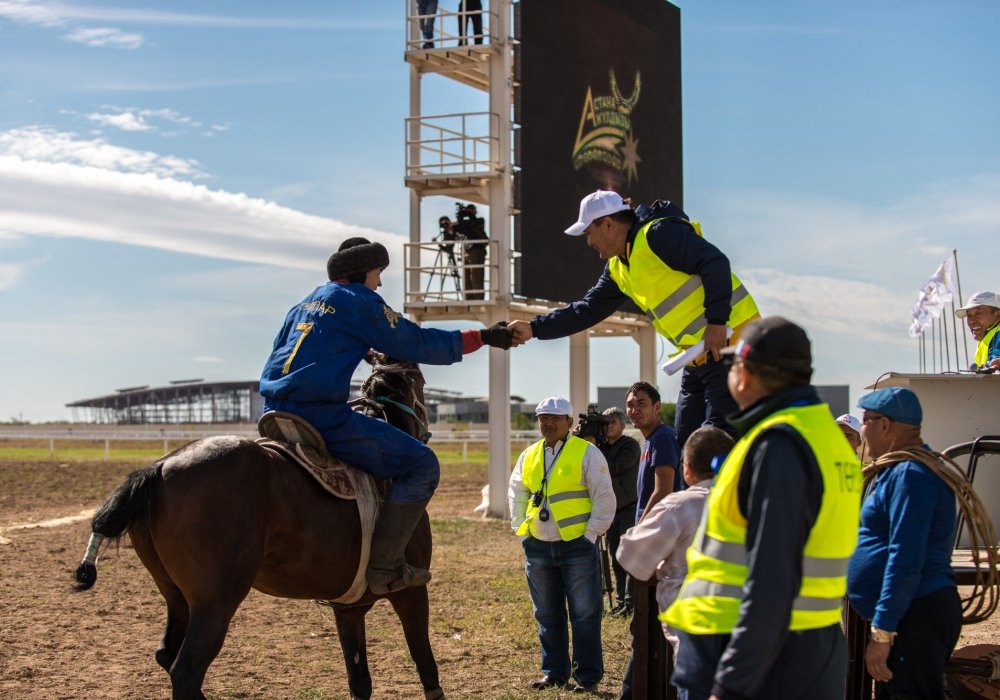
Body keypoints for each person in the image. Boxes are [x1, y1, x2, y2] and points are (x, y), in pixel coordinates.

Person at [260, 237, 514, 595]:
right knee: (423, 465)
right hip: (321, 418)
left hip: (272, 412)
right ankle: (384, 567)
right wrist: (484, 336)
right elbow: (417, 343)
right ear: (363, 271)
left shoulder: (305, 303)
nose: (379, 282)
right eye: (378, 273)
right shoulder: (360, 302)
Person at [664, 316, 862, 700]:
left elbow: (772, 574)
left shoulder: (779, 444)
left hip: (761, 660)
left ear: (748, 372)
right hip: (806, 646)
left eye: (733, 364)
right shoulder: (825, 438)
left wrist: (732, 684)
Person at [507, 190, 760, 449]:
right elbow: (586, 310)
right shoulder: (619, 267)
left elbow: (715, 262)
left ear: (607, 223)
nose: (588, 241)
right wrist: (533, 328)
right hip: (697, 355)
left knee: (718, 441)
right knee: (687, 446)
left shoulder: (658, 234)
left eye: (588, 233)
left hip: (730, 342)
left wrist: (717, 322)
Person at [847, 387, 961, 700]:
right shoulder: (900, 471)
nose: (864, 428)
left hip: (916, 614)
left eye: (867, 421)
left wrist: (883, 632)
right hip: (909, 613)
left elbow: (906, 558)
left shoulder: (912, 474)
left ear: (885, 425)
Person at [509, 396, 616, 693]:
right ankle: (554, 673)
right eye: (543, 417)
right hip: (539, 547)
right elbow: (516, 493)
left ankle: (587, 676)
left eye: (555, 417)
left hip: (577, 546)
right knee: (546, 613)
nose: (548, 422)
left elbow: (604, 498)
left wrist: (590, 535)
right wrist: (522, 532)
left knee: (584, 613)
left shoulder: (587, 452)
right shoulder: (529, 455)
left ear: (569, 423)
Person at [616, 426, 734, 658]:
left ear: (686, 471)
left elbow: (629, 555)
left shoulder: (681, 506)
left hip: (693, 632)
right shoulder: (756, 502)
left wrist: (662, 564)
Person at [618, 381, 682, 698]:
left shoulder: (663, 438)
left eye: (641, 403)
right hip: (654, 539)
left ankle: (638, 689)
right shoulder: (648, 441)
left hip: (659, 542)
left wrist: (639, 534)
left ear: (657, 407)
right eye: (631, 404)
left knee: (645, 622)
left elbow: (663, 490)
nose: (634, 410)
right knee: (641, 620)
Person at [598, 406, 641, 616]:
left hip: (628, 508)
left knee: (628, 556)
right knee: (615, 557)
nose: (608, 427)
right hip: (611, 510)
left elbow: (612, 468)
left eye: (612, 423)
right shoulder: (601, 447)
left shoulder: (630, 446)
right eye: (604, 424)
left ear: (622, 425)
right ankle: (621, 600)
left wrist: (594, 449)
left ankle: (631, 602)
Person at [955, 290, 1000, 370]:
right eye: (969, 315)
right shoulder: (985, 341)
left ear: (998, 314)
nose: (972, 321)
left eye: (978, 314)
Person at [453, 203, 488, 300]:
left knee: (476, 276)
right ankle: (468, 297)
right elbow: (455, 233)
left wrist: (469, 214)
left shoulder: (479, 221)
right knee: (466, 277)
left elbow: (474, 223)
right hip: (466, 251)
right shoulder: (462, 224)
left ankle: (478, 297)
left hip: (477, 251)